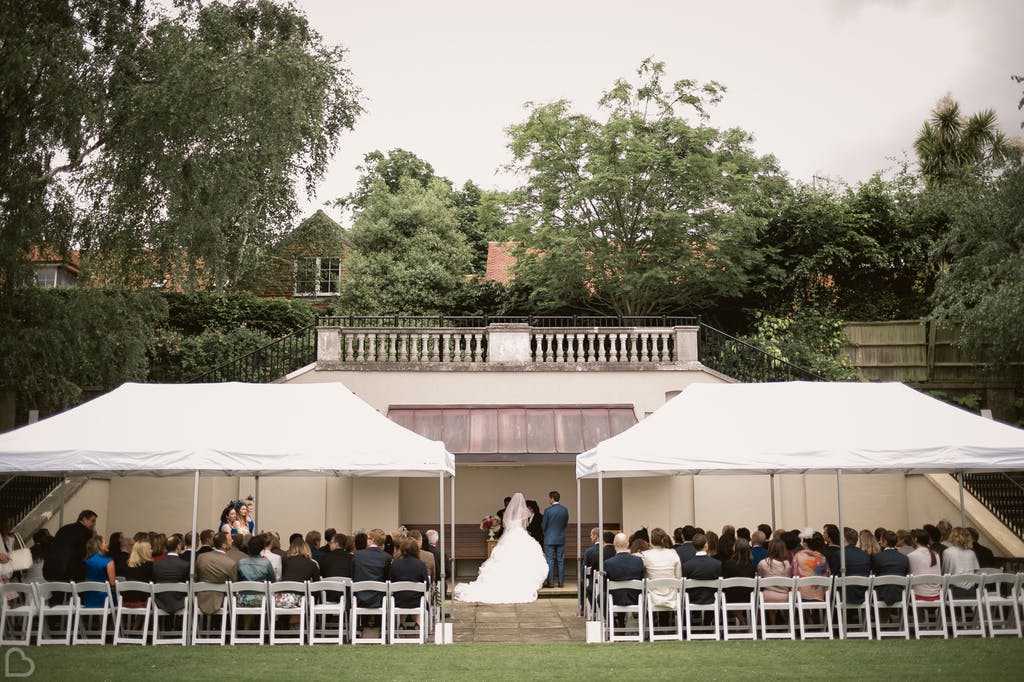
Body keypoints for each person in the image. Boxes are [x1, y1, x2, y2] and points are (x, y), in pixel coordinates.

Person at [453, 492, 548, 603]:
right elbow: (525, 526)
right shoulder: (524, 512)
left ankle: (501, 582)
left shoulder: (509, 512)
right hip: (520, 535)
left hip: (509, 536)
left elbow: (506, 525)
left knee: (503, 558)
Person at [603, 532, 645, 628]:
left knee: (601, 596)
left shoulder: (608, 563)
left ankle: (613, 625)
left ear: (614, 544)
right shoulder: (638, 561)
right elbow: (642, 579)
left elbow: (605, 585)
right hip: (635, 598)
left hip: (615, 599)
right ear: (628, 544)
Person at [43, 509, 97, 581]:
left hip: (52, 570)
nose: (94, 524)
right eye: (93, 521)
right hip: (71, 573)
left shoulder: (64, 529)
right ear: (84, 519)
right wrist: (94, 536)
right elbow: (87, 554)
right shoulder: (86, 532)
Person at [389, 538, 429, 629]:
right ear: (416, 550)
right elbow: (426, 585)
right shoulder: (421, 564)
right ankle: (418, 622)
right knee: (417, 597)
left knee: (404, 596)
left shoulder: (395, 564)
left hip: (398, 601)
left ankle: (402, 623)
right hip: (416, 601)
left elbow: (390, 581)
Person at [196, 532, 238, 615]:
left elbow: (196, 576)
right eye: (230, 540)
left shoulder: (201, 557)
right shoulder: (230, 563)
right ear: (224, 545)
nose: (232, 541)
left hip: (201, 598)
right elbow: (234, 583)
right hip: (221, 601)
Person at [153, 534, 190, 614]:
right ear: (178, 546)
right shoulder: (185, 564)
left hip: (161, 601)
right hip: (179, 601)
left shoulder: (156, 564)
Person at [872, 530, 910, 606]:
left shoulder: (877, 557)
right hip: (900, 594)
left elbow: (874, 572)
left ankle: (881, 617)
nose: (880, 542)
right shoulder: (904, 558)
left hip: (880, 594)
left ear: (885, 541)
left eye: (881, 540)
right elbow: (905, 574)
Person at [236, 535, 275, 607]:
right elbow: (272, 581)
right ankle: (266, 618)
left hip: (243, 599)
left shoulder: (241, 562)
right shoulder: (266, 563)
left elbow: (237, 580)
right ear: (262, 549)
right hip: (262, 599)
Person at [941, 526, 980, 597]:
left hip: (953, 592)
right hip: (971, 592)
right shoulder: (971, 553)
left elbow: (945, 573)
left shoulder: (948, 552)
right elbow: (976, 572)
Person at [791, 530, 830, 601]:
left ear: (805, 544)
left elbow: (794, 573)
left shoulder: (798, 556)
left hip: (802, 595)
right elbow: (827, 574)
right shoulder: (822, 558)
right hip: (820, 594)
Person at [541, 490, 569, 588]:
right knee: (560, 560)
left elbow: (543, 525)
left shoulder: (548, 511)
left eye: (549, 498)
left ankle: (551, 582)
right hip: (560, 538)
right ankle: (561, 583)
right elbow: (565, 524)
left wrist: (546, 531)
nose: (549, 500)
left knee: (550, 560)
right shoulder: (564, 510)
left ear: (552, 499)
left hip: (549, 538)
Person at [907, 528, 942, 601]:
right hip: (936, 594)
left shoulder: (911, 555)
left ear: (915, 539)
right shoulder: (936, 554)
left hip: (919, 595)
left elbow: (909, 575)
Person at [82, 534, 116, 607]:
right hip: (104, 599)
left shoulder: (87, 560)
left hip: (88, 598)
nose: (108, 544)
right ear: (99, 545)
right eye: (105, 543)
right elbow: (112, 583)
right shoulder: (108, 561)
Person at [722, 537, 757, 604]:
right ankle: (739, 614)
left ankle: (738, 614)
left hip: (731, 597)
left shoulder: (728, 564)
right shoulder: (752, 565)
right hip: (749, 597)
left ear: (735, 548)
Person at [121, 539, 154, 607]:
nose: (152, 550)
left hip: (126, 600)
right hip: (144, 601)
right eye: (150, 548)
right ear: (144, 551)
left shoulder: (126, 564)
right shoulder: (150, 565)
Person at [757, 539, 791, 603]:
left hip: (766, 596)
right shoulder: (787, 564)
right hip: (785, 597)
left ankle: (772, 613)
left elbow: (759, 577)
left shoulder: (763, 563)